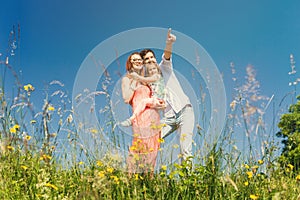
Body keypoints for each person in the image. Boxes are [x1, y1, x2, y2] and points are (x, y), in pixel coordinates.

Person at [140, 28, 195, 160]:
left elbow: (167, 55)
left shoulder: (164, 67)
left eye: (151, 57)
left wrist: (169, 43)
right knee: (150, 141)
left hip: (184, 112)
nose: (150, 60)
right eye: (147, 59)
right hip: (168, 118)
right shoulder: (147, 85)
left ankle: (189, 179)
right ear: (143, 64)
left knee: (185, 149)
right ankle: (144, 174)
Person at [121, 52, 161, 173]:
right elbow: (126, 98)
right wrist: (134, 81)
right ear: (130, 64)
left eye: (139, 60)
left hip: (153, 117)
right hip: (140, 117)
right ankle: (131, 178)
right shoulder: (127, 79)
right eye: (135, 60)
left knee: (153, 149)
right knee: (139, 146)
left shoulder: (146, 81)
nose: (138, 61)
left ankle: (149, 180)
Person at [120, 62, 167, 127]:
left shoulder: (157, 76)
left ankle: (131, 119)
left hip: (159, 99)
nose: (152, 71)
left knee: (144, 102)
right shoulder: (149, 81)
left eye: (154, 68)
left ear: (158, 70)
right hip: (155, 101)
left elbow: (147, 79)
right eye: (150, 70)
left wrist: (137, 76)